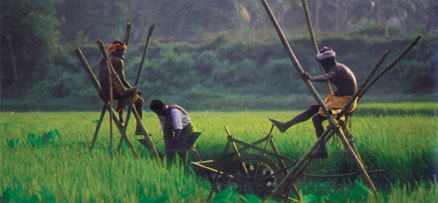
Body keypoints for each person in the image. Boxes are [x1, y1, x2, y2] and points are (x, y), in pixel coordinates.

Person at [269, 47, 357, 159]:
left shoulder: (336, 70)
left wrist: (311, 79)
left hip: (345, 102)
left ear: (326, 62)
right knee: (313, 108)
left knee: (316, 119)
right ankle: (285, 125)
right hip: (338, 99)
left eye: (321, 63)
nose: (322, 66)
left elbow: (326, 77)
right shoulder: (337, 67)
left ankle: (322, 150)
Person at [98, 40, 145, 135]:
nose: (124, 55)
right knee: (139, 100)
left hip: (103, 90)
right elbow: (122, 80)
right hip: (113, 91)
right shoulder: (118, 61)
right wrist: (133, 91)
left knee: (126, 92)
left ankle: (121, 117)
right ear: (118, 52)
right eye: (123, 53)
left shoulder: (103, 58)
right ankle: (139, 128)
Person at [149, 99, 200, 163]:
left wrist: (175, 143)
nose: (158, 114)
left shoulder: (174, 111)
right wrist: (167, 145)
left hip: (187, 130)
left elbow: (178, 128)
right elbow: (165, 129)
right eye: (156, 112)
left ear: (163, 107)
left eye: (158, 112)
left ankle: (185, 165)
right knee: (171, 150)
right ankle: (172, 163)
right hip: (178, 131)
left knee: (182, 150)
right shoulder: (161, 114)